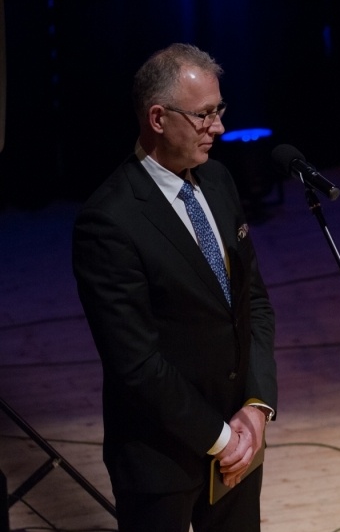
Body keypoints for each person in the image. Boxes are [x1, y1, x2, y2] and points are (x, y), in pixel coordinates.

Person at [72, 43, 277, 532]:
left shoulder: (220, 181)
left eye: (219, 110)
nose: (220, 128)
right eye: (205, 115)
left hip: (240, 448)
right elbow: (136, 363)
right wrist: (220, 437)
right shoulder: (109, 222)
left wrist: (256, 406)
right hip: (160, 460)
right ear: (159, 118)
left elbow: (253, 303)